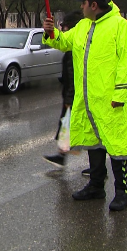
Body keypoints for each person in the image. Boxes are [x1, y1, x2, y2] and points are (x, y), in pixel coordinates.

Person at [43, 0, 127, 211]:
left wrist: (120, 95)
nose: (80, 6)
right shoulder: (83, 26)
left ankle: (123, 192)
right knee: (93, 145)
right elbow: (63, 43)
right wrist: (51, 32)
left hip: (110, 101)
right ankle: (96, 185)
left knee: (116, 146)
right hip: (86, 100)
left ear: (93, 5)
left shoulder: (120, 27)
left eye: (83, 3)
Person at [42, 11, 84, 169]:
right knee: (69, 127)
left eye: (64, 25)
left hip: (74, 97)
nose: (62, 27)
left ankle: (97, 165)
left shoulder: (73, 51)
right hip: (74, 96)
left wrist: (68, 100)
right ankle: (62, 154)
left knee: (73, 127)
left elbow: (73, 77)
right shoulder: (72, 47)